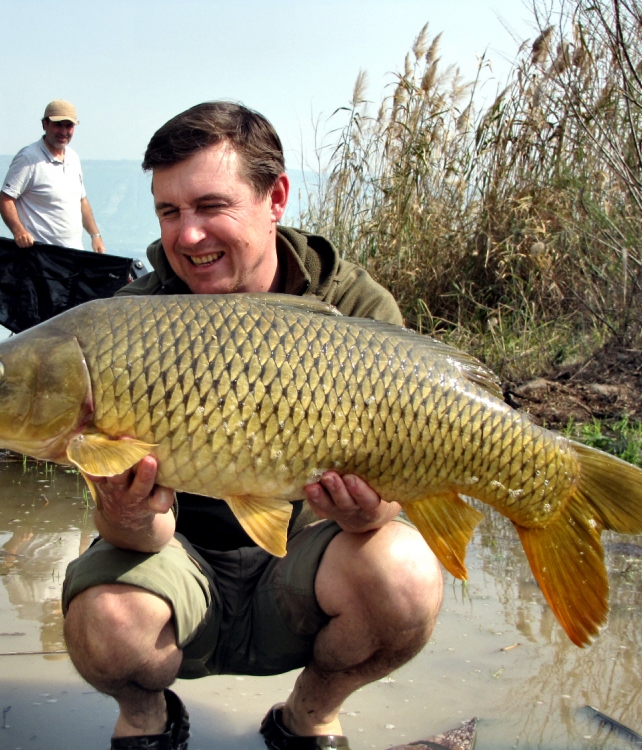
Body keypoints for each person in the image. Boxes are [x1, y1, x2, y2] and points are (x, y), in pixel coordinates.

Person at [61, 102, 443, 750]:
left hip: (303, 571)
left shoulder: (354, 309)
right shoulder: (127, 327)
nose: (187, 236)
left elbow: (393, 503)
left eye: (211, 206)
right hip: (177, 566)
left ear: (277, 198)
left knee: (405, 575)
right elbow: (138, 534)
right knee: (104, 615)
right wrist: (125, 515)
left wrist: (367, 513)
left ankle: (310, 716)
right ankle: (147, 722)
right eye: (169, 212)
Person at [0, 99, 105, 254]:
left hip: (73, 257)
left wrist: (95, 235)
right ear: (45, 124)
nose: (63, 132)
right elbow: (5, 199)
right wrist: (19, 231)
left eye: (68, 126)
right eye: (58, 124)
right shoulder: (28, 158)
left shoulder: (73, 158)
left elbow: (81, 200)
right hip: (41, 258)